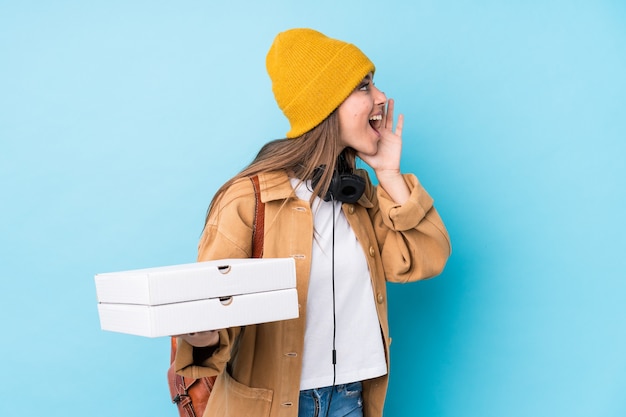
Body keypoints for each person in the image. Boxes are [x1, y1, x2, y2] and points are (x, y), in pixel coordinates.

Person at [173, 28, 451, 417]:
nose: (381, 98)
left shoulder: (359, 195)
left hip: (351, 398)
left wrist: (389, 175)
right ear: (326, 106)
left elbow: (425, 259)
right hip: (277, 405)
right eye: (364, 86)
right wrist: (202, 333)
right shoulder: (248, 200)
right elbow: (212, 315)